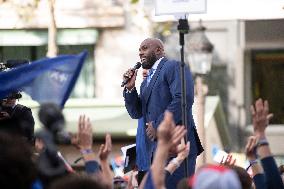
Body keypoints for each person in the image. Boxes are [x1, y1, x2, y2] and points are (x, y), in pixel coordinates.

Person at [123, 38, 203, 188]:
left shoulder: (173, 66)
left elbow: (183, 98)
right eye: (139, 50)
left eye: (145, 48)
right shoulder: (147, 81)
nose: (140, 52)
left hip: (177, 147)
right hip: (155, 152)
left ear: (159, 50)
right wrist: (130, 88)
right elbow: (136, 112)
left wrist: (159, 125)